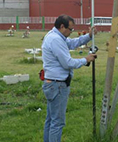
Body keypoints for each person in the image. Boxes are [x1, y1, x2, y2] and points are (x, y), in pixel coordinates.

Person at [41, 14, 97, 142]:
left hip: (53, 83)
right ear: (62, 26)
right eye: (70, 29)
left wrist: (88, 36)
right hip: (58, 85)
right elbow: (68, 63)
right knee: (57, 123)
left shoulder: (56, 36)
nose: (71, 32)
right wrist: (85, 59)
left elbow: (72, 43)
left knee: (51, 120)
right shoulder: (55, 39)